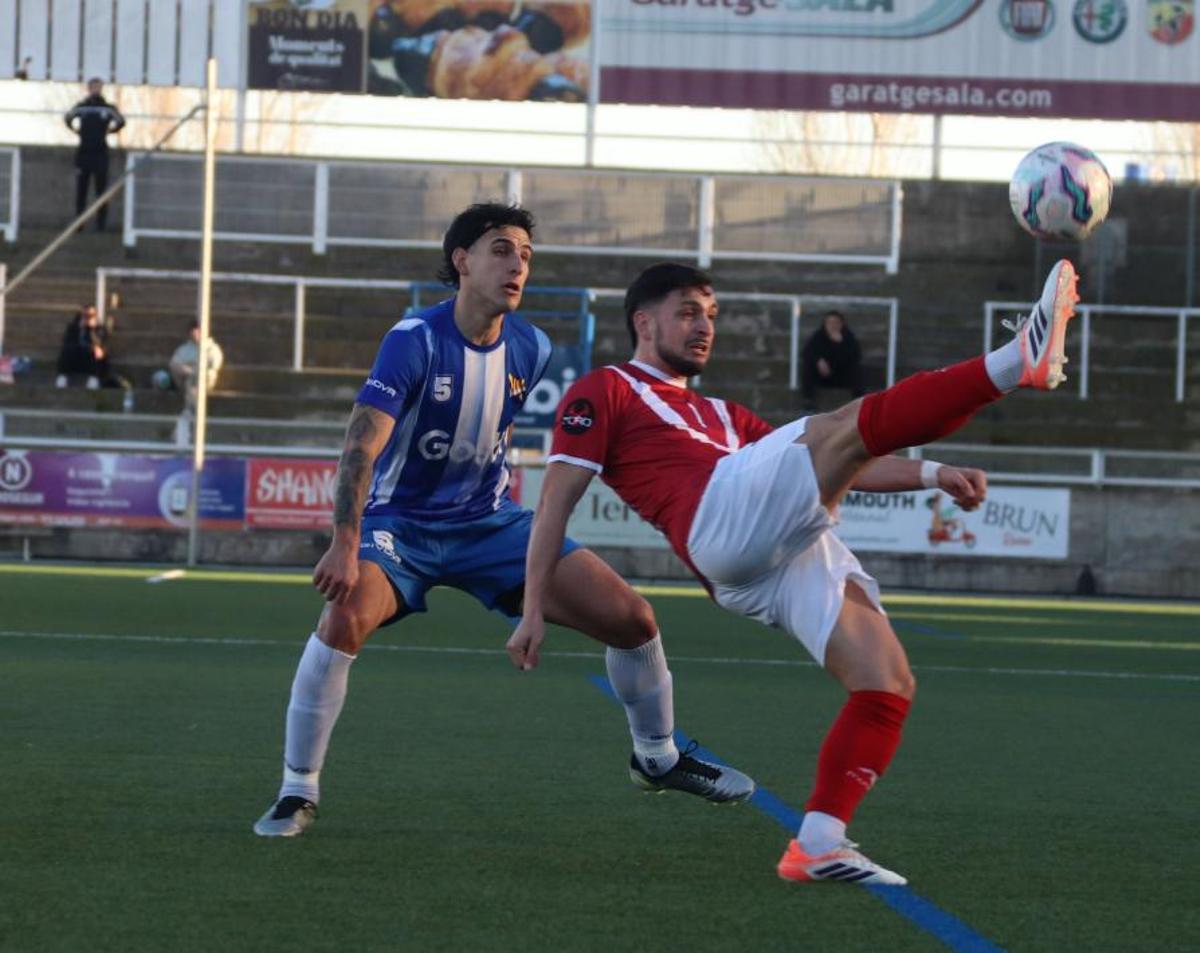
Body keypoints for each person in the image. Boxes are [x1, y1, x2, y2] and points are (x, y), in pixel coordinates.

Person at [509, 258, 1080, 885]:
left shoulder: (724, 415)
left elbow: (844, 456)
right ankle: (1014, 361)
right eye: (688, 313)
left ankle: (819, 842)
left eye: (711, 315)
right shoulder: (606, 387)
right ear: (643, 323)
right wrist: (534, 607)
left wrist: (931, 473)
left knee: (886, 680)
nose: (704, 327)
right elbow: (555, 501)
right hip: (714, 520)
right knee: (832, 427)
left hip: (765, 557)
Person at [253, 204, 753, 838]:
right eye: (501, 250)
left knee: (634, 620)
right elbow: (361, 442)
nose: (517, 264)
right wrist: (345, 541)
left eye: (525, 255)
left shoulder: (532, 346)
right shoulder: (414, 339)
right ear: (461, 261)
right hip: (401, 526)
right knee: (343, 616)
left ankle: (658, 758)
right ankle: (297, 790)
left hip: (491, 524)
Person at [64, 78, 125, 232]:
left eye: (98, 87)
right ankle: (79, 224)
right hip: (84, 153)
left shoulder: (107, 108)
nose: (96, 89)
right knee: (81, 190)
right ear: (89, 88)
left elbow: (121, 121)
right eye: (93, 87)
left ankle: (101, 225)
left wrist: (110, 131)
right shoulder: (82, 107)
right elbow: (68, 118)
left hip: (100, 153)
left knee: (101, 191)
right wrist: (76, 131)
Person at [801, 309, 865, 408]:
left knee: (856, 370)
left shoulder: (848, 337)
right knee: (808, 368)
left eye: (836, 322)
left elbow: (855, 357)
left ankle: (859, 403)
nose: (832, 326)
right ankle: (808, 401)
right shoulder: (818, 337)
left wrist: (840, 344)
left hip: (842, 377)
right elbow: (807, 353)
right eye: (829, 322)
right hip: (822, 376)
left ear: (841, 324)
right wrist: (818, 361)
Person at [152, 321, 224, 407]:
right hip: (184, 379)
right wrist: (188, 371)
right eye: (193, 331)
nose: (195, 334)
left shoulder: (212, 348)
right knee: (160, 376)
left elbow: (214, 365)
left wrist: (195, 371)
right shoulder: (184, 349)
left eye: (197, 331)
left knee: (195, 380)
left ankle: (192, 408)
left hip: (203, 381)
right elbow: (174, 363)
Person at [55, 305, 113, 389]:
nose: (87, 318)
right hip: (76, 356)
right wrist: (79, 328)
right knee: (68, 350)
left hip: (90, 357)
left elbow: (100, 343)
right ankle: (62, 377)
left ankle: (94, 380)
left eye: (91, 315)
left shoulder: (100, 329)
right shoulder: (73, 328)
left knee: (98, 352)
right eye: (85, 315)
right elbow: (67, 342)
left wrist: (91, 330)